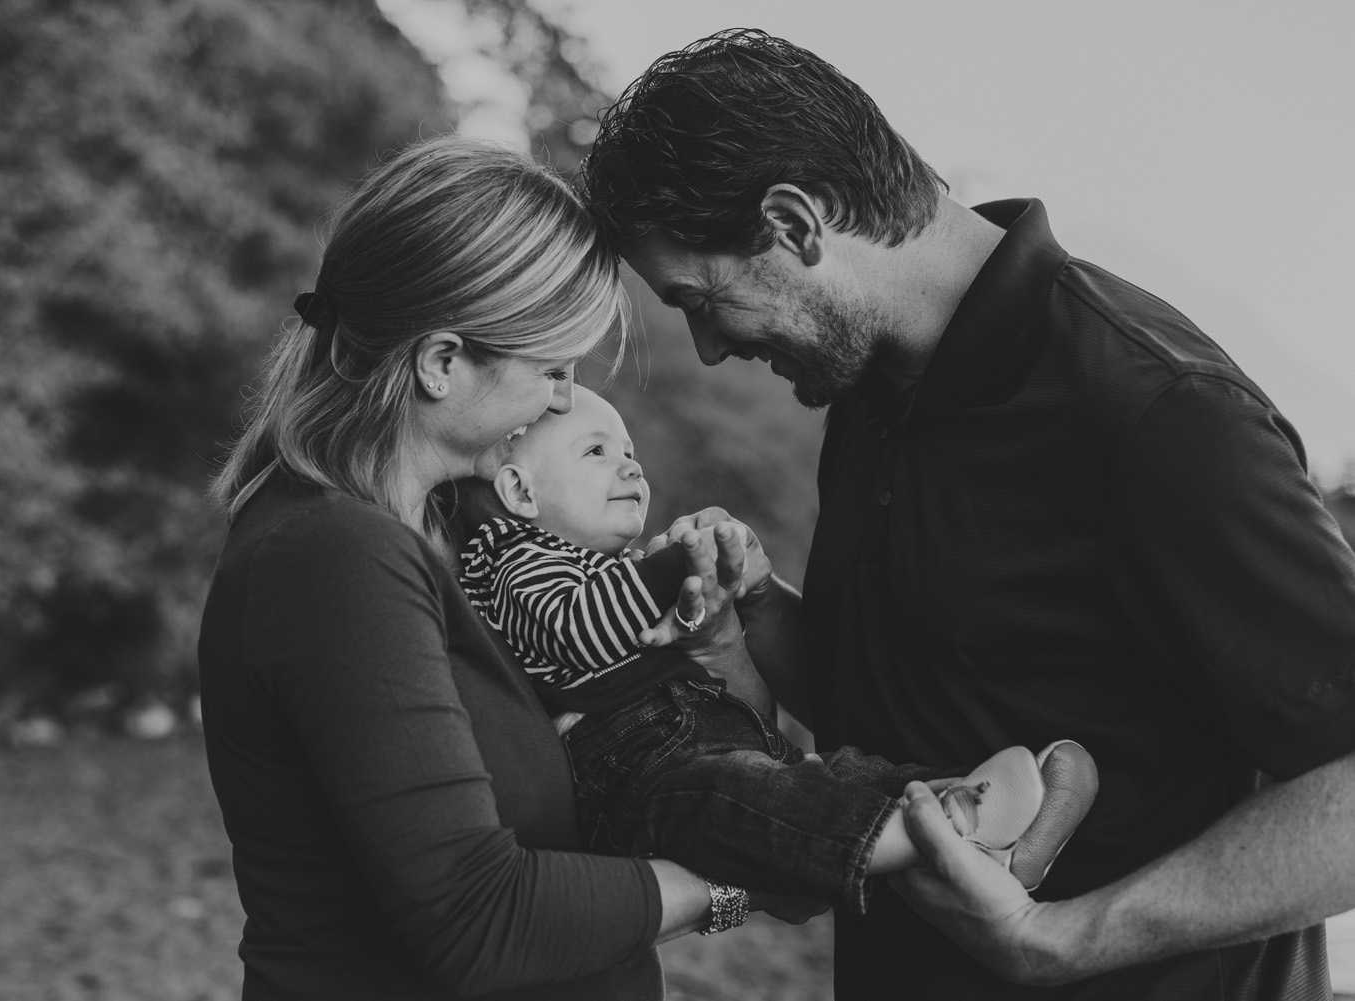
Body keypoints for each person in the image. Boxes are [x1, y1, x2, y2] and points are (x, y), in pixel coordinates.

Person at [575, 27, 1355, 1001]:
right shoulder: (869, 384)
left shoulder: (1161, 414)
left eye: (700, 298)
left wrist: (1062, 938)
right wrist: (757, 617)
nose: (708, 347)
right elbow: (914, 706)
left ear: (796, 224)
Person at [197, 134, 812, 1001]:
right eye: (552, 369)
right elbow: (481, 917)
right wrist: (733, 881)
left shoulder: (456, 538)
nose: (564, 399)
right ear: (442, 362)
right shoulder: (335, 556)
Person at [457, 385, 1098, 912]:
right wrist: (673, 566)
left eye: (631, 452)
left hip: (704, 738)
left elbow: (725, 690)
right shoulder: (515, 562)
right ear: (520, 492)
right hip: (640, 774)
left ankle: (971, 799)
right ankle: (934, 831)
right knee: (748, 801)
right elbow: (575, 626)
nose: (632, 467)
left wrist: (711, 599)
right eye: (597, 452)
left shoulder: (606, 564)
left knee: (835, 774)